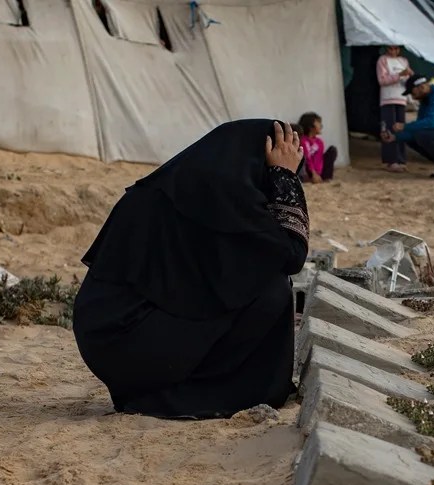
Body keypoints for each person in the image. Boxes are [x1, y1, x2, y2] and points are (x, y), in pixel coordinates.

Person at [73, 120, 309, 419]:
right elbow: (292, 254)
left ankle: (156, 388)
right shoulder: (226, 203)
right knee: (271, 289)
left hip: (107, 343)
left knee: (249, 282)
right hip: (134, 343)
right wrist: (284, 176)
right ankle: (194, 393)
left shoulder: (172, 188)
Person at [377, 45, 412, 172]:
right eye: (391, 49)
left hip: (401, 99)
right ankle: (391, 160)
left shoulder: (403, 61)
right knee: (389, 128)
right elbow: (382, 80)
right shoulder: (383, 60)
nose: (394, 52)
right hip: (388, 99)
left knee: (400, 128)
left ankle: (401, 158)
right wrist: (399, 75)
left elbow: (408, 78)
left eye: (396, 49)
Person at [297, 112, 337, 183]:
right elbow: (307, 158)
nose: (321, 126)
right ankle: (308, 178)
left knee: (332, 150)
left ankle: (326, 177)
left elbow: (319, 159)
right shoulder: (303, 140)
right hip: (309, 171)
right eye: (318, 123)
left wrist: (318, 172)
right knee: (302, 156)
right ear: (310, 126)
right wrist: (313, 173)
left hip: (318, 170)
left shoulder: (319, 142)